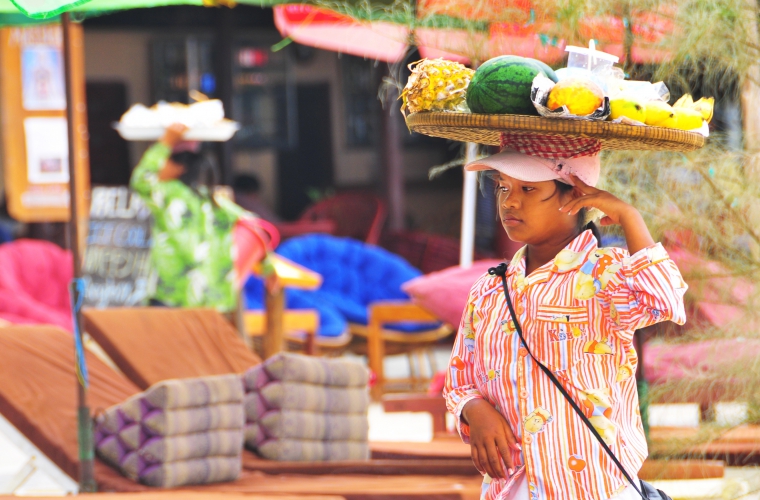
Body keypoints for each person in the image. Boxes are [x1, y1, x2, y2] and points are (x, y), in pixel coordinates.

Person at [443, 150, 687, 500]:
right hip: (513, 489)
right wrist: (474, 409)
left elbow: (665, 300)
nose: (509, 202)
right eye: (502, 188)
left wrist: (629, 216)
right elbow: (459, 380)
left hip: (597, 488)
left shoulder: (606, 276)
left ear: (574, 195)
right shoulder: (489, 290)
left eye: (527, 189)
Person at [130, 123, 249, 312]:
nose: (160, 167)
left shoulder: (168, 194)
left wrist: (165, 142)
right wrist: (268, 268)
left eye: (165, 161)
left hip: (171, 293)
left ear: (179, 168)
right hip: (210, 298)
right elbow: (255, 228)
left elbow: (140, 180)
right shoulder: (216, 201)